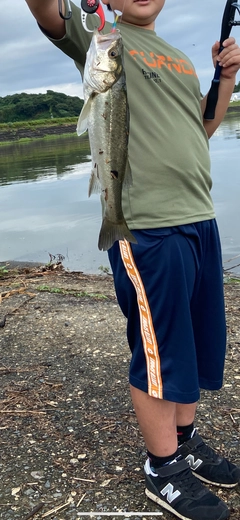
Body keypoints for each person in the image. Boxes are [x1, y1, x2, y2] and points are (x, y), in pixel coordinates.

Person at [25, 1, 240, 519]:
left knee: (195, 342)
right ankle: (162, 468)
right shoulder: (102, 38)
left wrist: (226, 76)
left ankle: (184, 442)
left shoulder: (180, 59)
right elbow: (47, 12)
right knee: (160, 350)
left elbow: (201, 128)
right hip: (144, 224)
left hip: (199, 216)